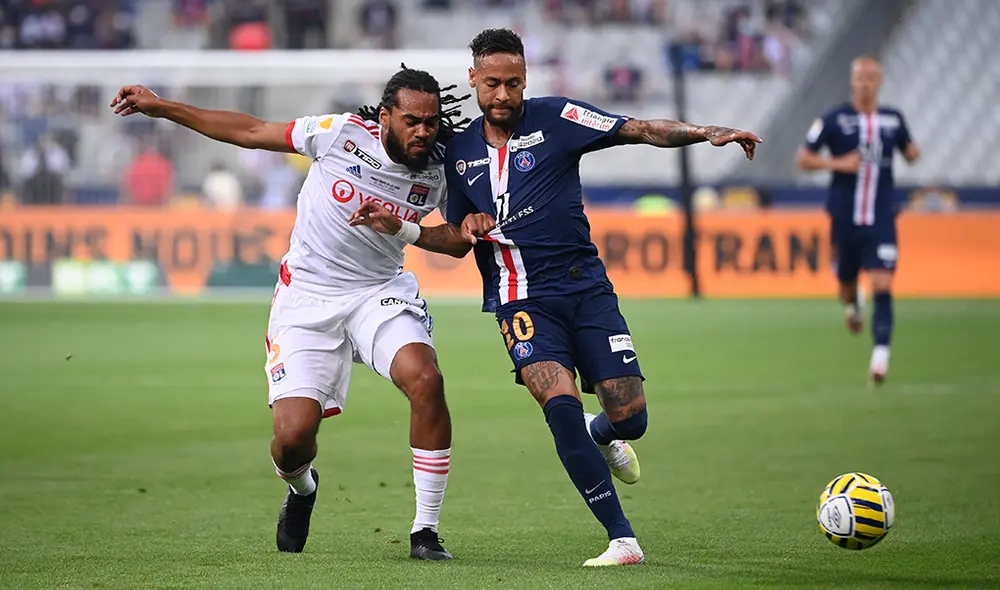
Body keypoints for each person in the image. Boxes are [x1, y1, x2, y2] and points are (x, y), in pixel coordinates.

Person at [349, 28, 761, 566]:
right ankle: (622, 538)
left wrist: (707, 132)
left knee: (630, 415)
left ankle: (604, 432)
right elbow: (450, 237)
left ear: (526, 80)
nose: (502, 95)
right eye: (492, 83)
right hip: (520, 301)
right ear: (473, 79)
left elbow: (637, 129)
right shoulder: (457, 151)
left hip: (586, 288)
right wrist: (415, 226)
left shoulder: (559, 119)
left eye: (513, 83)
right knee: (558, 404)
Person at [110, 66, 470, 560]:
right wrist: (165, 106)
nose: (424, 132)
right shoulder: (339, 134)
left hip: (378, 292)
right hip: (307, 299)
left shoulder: (443, 168)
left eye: (431, 122)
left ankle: (425, 533)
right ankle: (302, 489)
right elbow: (252, 132)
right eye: (412, 121)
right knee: (292, 440)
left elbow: (457, 243)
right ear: (386, 116)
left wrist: (403, 230)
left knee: (426, 380)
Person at [796, 56, 919, 384]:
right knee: (846, 288)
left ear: (879, 81)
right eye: (860, 77)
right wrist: (838, 164)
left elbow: (910, 151)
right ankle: (853, 306)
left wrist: (912, 153)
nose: (865, 83)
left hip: (881, 217)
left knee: (883, 283)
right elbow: (804, 159)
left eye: (871, 77)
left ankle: (880, 356)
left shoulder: (893, 120)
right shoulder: (834, 119)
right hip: (845, 218)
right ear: (852, 82)